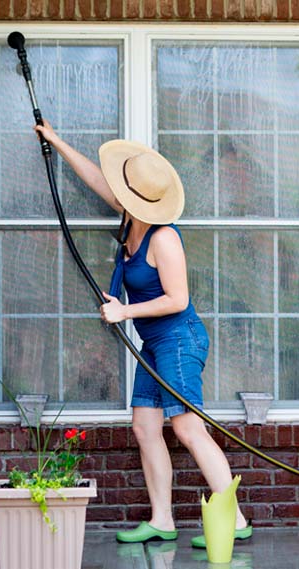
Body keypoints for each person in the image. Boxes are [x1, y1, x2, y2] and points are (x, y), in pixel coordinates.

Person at [34, 120, 251, 547]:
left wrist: (124, 311)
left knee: (188, 429)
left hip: (179, 338)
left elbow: (178, 299)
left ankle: (236, 520)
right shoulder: (131, 217)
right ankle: (162, 519)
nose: (114, 189)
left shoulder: (163, 237)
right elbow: (94, 179)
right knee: (145, 428)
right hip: (155, 343)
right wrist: (56, 140)